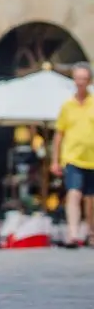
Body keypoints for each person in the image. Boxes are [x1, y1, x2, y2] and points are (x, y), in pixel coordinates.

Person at [52, 62, 94, 248]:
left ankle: (91, 232)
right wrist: (55, 160)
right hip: (72, 158)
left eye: (84, 79)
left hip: (92, 158)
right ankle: (73, 233)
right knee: (74, 193)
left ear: (89, 81)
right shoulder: (67, 106)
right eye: (77, 79)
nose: (80, 83)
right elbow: (59, 135)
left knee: (91, 199)